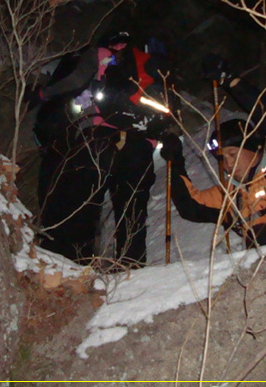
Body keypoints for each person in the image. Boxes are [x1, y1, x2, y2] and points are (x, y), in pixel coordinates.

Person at [32, 31, 172, 267]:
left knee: (85, 204)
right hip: (140, 145)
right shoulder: (148, 64)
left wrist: (43, 94)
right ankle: (131, 267)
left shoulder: (100, 54)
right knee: (132, 211)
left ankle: (76, 265)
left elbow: (75, 81)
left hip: (101, 139)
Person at [158, 54, 266, 248]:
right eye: (222, 159)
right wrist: (175, 162)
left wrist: (231, 81)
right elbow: (190, 207)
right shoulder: (231, 195)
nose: (228, 164)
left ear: (254, 149)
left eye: (232, 154)